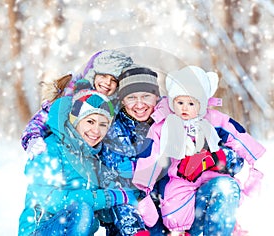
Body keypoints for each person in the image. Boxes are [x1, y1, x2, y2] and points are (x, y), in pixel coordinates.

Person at [132, 65, 266, 235]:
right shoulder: (163, 126)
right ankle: (180, 230)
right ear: (172, 101)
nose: (184, 108)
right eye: (180, 102)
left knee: (226, 188)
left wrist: (256, 167)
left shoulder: (214, 120)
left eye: (191, 103)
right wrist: (144, 190)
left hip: (211, 180)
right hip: (180, 181)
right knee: (175, 212)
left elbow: (239, 137)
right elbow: (150, 157)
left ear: (201, 103)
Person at [18, 90, 139, 236]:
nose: (96, 130)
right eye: (90, 121)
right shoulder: (50, 148)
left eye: (103, 124)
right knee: (81, 210)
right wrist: (107, 197)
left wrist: (126, 191)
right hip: (40, 230)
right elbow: (48, 199)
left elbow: (101, 214)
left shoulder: (93, 159)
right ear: (76, 121)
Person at [21, 49, 133, 159]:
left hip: (91, 167)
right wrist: (33, 138)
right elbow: (42, 120)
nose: (108, 82)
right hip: (63, 156)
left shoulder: (116, 108)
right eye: (103, 76)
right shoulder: (71, 98)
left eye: (114, 80)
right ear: (93, 74)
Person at [99, 64, 171, 235]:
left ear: (156, 97)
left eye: (146, 96)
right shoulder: (113, 129)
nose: (139, 104)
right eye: (131, 97)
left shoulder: (175, 118)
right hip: (133, 214)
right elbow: (115, 178)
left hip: (171, 208)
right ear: (122, 101)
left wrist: (213, 160)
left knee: (222, 186)